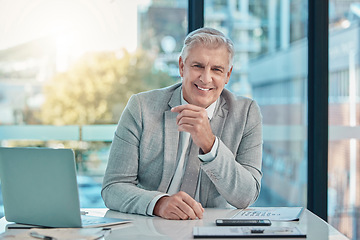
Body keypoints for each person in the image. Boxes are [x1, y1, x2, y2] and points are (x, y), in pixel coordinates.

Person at [102, 27, 263, 220]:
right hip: (151, 227)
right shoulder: (141, 107)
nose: (206, 78)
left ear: (228, 75)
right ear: (181, 66)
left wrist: (210, 145)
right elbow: (113, 187)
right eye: (198, 66)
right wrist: (158, 204)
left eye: (217, 70)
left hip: (211, 229)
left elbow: (247, 195)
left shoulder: (246, 113)